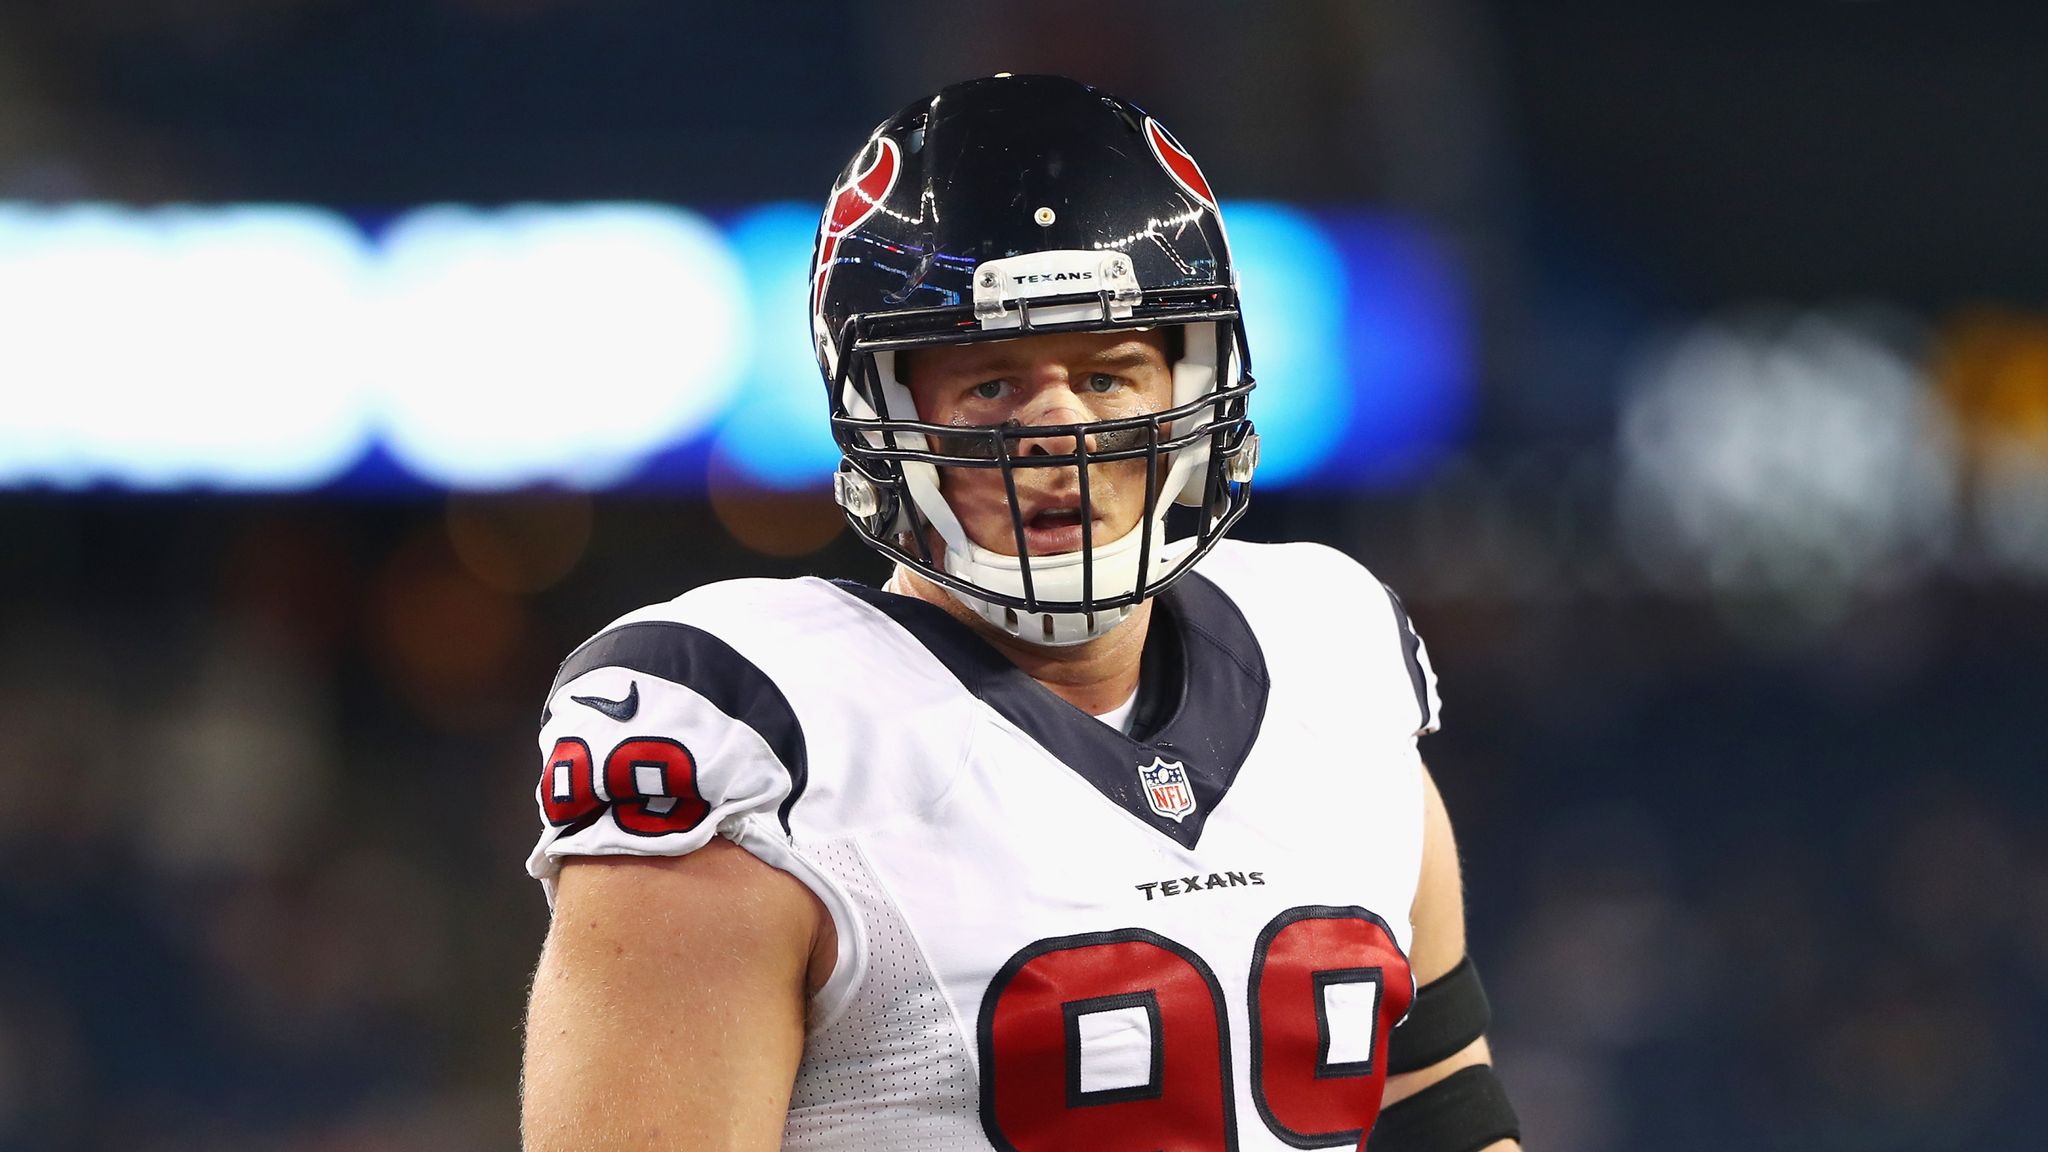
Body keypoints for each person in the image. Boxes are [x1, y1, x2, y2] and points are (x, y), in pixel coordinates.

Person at [519, 74, 1520, 1152]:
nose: (1060, 431)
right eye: (992, 385)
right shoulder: (758, 729)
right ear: (884, 411)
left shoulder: (1330, 646)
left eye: (1107, 375)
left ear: (1193, 388)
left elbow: (1438, 1109)